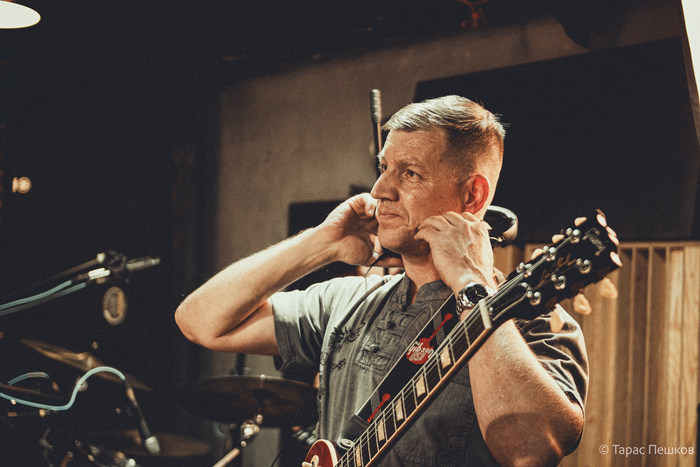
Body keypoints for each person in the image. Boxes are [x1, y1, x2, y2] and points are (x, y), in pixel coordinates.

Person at [175, 95, 588, 466]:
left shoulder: (533, 321)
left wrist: (471, 282)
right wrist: (322, 242)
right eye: (385, 167)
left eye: (410, 173)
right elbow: (200, 322)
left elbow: (532, 450)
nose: (379, 189)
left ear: (473, 196)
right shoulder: (348, 300)